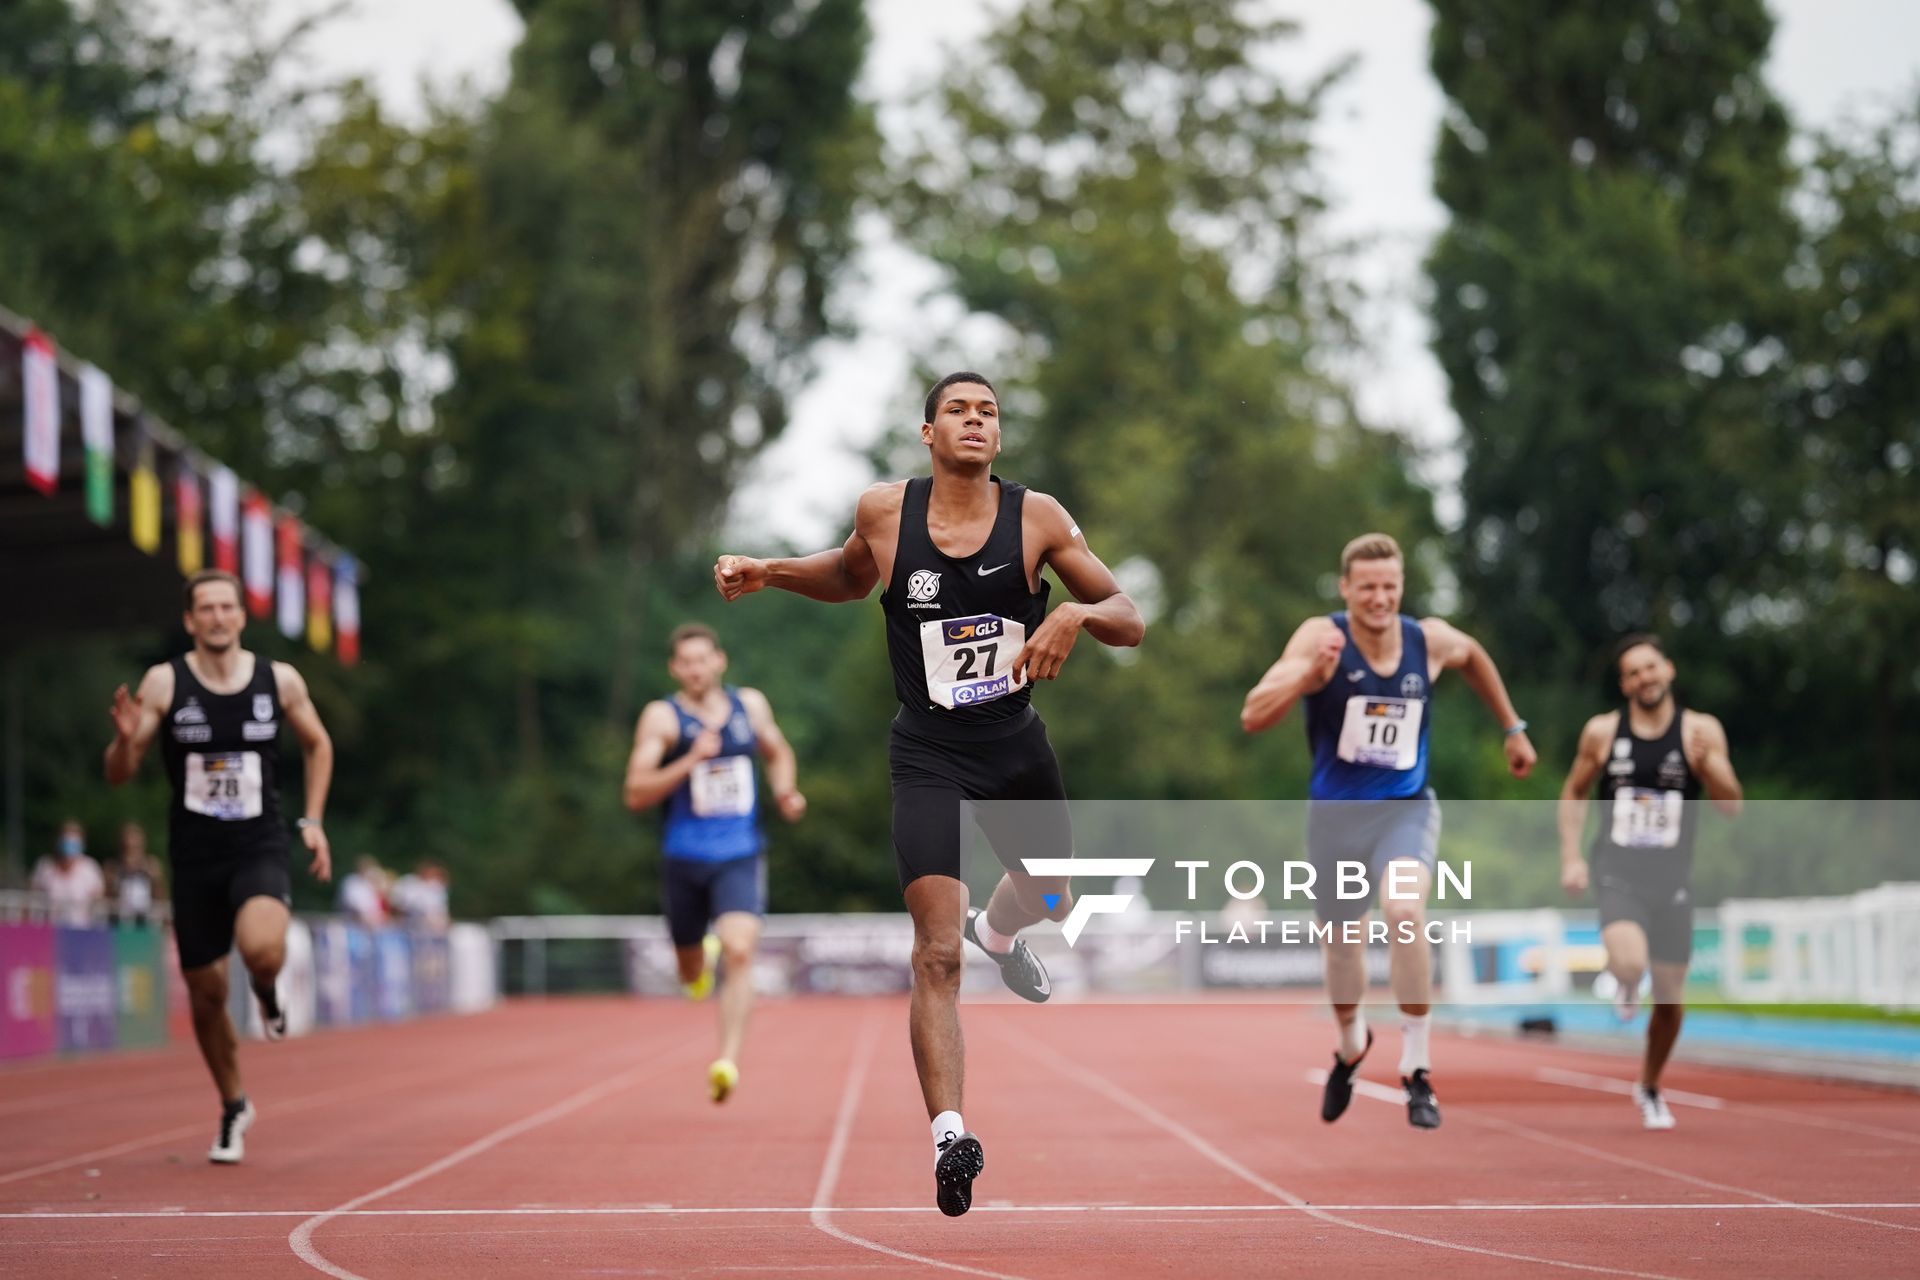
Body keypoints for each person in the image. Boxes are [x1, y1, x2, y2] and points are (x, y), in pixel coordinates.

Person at [714, 372, 1144, 1216]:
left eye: (989, 412)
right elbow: (848, 576)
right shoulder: (886, 512)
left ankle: (1000, 930)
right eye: (958, 410)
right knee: (935, 955)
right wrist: (770, 570)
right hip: (929, 756)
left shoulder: (1037, 518)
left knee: (1054, 897)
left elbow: (1128, 615)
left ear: (999, 434)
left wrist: (1075, 616)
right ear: (928, 432)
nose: (975, 420)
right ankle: (951, 1137)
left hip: (1016, 753)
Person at [1241, 532, 1535, 1131]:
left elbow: (1473, 656)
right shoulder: (1320, 637)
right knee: (1341, 947)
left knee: (1404, 912)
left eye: (1390, 587)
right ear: (1345, 588)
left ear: (1401, 588)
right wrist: (1310, 676)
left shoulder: (1427, 640)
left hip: (1404, 809)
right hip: (1335, 819)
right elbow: (1254, 714)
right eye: (1367, 587)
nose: (1379, 598)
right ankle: (1351, 1044)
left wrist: (1512, 727)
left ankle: (1417, 1068)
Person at [103, 568, 334, 1165]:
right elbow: (120, 773)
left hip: (258, 844)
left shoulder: (278, 680)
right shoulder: (164, 682)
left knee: (262, 950)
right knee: (206, 995)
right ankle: (234, 1105)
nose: (217, 617)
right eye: (205, 608)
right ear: (189, 620)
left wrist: (312, 820)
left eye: (226, 606)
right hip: (194, 856)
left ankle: (266, 988)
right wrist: (124, 742)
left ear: (241, 615)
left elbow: (319, 744)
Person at [1556, 633, 1742, 1130]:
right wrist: (1571, 857)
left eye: (1650, 667)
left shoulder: (1701, 730)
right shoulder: (1603, 732)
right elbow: (1573, 792)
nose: (1644, 678)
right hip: (1617, 871)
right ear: (1624, 684)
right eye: (1633, 673)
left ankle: (1650, 1085)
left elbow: (1731, 806)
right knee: (1629, 961)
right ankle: (1624, 979)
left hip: (1673, 879)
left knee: (1670, 1005)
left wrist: (1711, 765)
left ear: (1668, 669)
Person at [622, 623, 806, 1104]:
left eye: (703, 659)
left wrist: (785, 790)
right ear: (674, 669)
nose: (695, 669)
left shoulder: (750, 706)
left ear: (719, 661)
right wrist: (691, 760)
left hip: (739, 853)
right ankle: (697, 963)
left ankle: (727, 1061)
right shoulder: (663, 718)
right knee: (689, 973)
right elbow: (635, 792)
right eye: (686, 662)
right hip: (683, 858)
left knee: (740, 950)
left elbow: (778, 752)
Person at [30, 819, 106, 927]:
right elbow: (33, 898)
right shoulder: (45, 866)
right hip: (49, 928)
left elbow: (98, 902)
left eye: (73, 842)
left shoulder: (90, 868)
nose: (69, 845)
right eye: (65, 840)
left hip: (81, 929)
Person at [106, 822, 166, 927]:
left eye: (135, 848)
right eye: (127, 848)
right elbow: (106, 899)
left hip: (146, 923)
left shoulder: (152, 866)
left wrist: (154, 879)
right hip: (119, 923)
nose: (132, 853)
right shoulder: (112, 867)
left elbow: (161, 900)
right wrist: (118, 877)